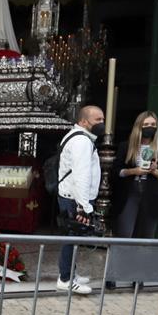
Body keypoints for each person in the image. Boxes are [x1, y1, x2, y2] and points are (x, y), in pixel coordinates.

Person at [55, 105, 104, 295]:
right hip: (75, 199)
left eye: (102, 119)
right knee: (72, 237)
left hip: (71, 197)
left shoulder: (76, 136)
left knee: (72, 237)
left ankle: (70, 274)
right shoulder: (82, 142)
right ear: (84, 121)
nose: (102, 123)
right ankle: (65, 279)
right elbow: (81, 175)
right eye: (97, 120)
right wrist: (84, 207)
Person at [112, 111, 158, 239]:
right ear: (139, 126)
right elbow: (116, 171)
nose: (150, 127)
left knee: (147, 235)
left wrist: (155, 171)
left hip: (152, 193)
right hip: (130, 191)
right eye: (146, 124)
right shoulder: (126, 146)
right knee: (124, 232)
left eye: (153, 124)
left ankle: (142, 259)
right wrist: (133, 171)